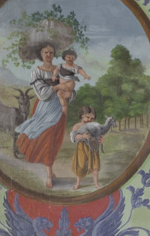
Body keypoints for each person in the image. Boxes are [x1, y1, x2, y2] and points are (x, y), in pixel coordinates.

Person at [15, 41, 75, 190]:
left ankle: (50, 168)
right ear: (40, 55)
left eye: (51, 52)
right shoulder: (36, 72)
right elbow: (41, 94)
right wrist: (57, 87)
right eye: (45, 53)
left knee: (55, 140)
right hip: (44, 109)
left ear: (54, 54)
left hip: (59, 108)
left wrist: (70, 94)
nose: (48, 55)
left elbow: (71, 87)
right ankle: (48, 175)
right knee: (46, 139)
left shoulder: (61, 69)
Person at [70, 104, 112, 191]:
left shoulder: (94, 126)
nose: (89, 120)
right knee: (80, 166)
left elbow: (99, 135)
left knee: (95, 166)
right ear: (82, 116)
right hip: (82, 149)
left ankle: (96, 183)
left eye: (92, 118)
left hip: (93, 148)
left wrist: (101, 139)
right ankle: (78, 183)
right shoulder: (77, 126)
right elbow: (73, 138)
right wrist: (82, 136)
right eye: (87, 117)